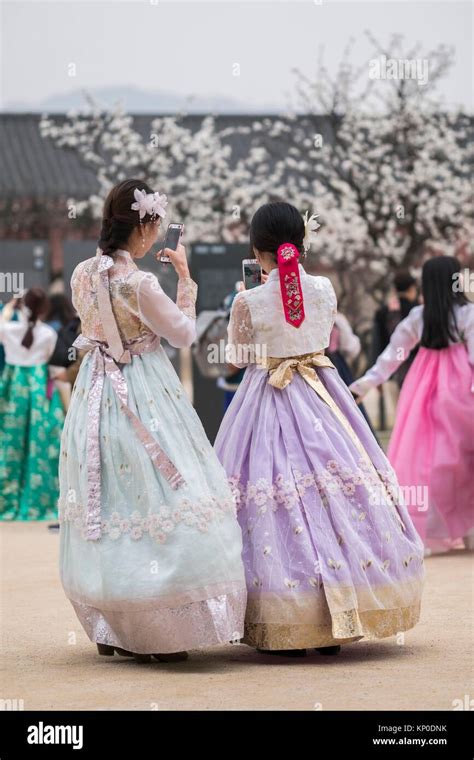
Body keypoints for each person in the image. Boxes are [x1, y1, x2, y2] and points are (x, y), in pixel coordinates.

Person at [214, 202, 424, 657]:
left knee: (271, 502)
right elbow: (320, 332)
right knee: (338, 493)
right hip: (323, 395)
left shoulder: (246, 299)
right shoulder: (325, 288)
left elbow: (235, 359)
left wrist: (252, 310)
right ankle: (339, 616)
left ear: (257, 248)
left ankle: (287, 623)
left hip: (265, 394)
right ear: (301, 243)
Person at [59, 179, 246, 662]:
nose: (157, 234)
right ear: (140, 226)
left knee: (110, 503)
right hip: (144, 392)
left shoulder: (82, 272)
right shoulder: (139, 283)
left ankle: (110, 622)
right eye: (155, 225)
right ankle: (161, 630)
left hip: (93, 395)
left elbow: (91, 327)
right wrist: (185, 280)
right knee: (164, 493)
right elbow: (183, 334)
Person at [350, 256, 474, 555]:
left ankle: (427, 529)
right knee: (463, 460)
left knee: (426, 462)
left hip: (424, 391)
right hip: (461, 392)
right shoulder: (468, 314)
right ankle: (466, 527)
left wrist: (363, 386)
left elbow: (391, 358)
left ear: (427, 285)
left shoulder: (419, 317)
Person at [0, 288, 64, 520]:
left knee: (10, 443)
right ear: (44, 308)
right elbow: (52, 365)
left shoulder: (7, 329)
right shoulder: (48, 334)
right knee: (39, 443)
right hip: (38, 388)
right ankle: (38, 501)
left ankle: (7, 501)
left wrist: (9, 308)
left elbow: (2, 322)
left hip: (14, 388)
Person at [371, 270, 419, 387]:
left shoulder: (383, 312)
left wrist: (375, 374)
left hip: (390, 371)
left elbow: (377, 344)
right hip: (417, 369)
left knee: (396, 405)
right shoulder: (418, 311)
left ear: (395, 289)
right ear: (412, 288)